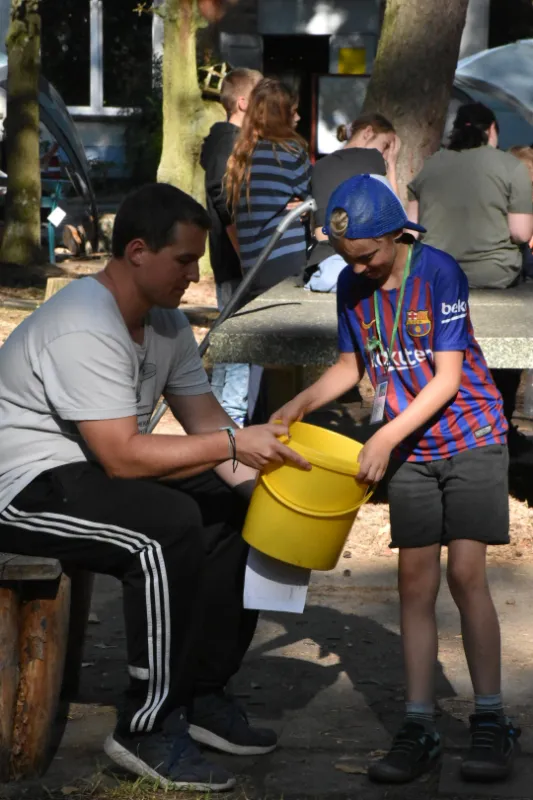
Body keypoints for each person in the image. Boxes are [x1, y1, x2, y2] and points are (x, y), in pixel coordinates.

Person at [0, 183, 311, 791]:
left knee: (232, 508)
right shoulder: (84, 323)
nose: (194, 277)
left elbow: (208, 424)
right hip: (21, 487)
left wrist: (278, 506)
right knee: (163, 530)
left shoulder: (165, 324)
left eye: (198, 262)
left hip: (83, 473)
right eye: (184, 260)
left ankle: (201, 693)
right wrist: (233, 446)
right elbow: (123, 458)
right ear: (138, 251)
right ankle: (147, 724)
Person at [272, 174, 520, 785]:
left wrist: (381, 437)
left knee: (465, 574)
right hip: (412, 448)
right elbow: (350, 366)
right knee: (413, 582)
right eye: (348, 259)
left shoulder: (437, 273)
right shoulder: (351, 286)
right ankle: (418, 724)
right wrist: (298, 404)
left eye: (368, 256)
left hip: (471, 437)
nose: (359, 268)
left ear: (396, 235)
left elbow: (447, 378)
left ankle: (491, 717)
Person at [407, 102, 533, 458]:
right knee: (502, 363)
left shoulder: (431, 166)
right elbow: (521, 233)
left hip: (436, 279)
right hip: (496, 278)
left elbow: (412, 231)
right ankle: (498, 429)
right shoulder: (510, 167)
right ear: (491, 130)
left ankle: (440, 431)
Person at [201, 67, 262, 426]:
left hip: (234, 261)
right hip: (234, 263)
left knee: (230, 348)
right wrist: (245, 253)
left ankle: (218, 427)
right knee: (238, 348)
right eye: (259, 97)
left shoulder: (229, 140)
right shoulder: (228, 141)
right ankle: (232, 431)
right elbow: (223, 197)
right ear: (242, 102)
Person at [225, 77, 311, 295]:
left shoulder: (241, 155)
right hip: (285, 257)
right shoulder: (290, 152)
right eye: (293, 112)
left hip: (252, 263)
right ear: (280, 116)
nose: (298, 118)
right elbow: (315, 197)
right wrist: (306, 206)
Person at [307, 112, 400, 293]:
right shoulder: (372, 158)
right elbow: (395, 217)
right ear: (368, 132)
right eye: (386, 145)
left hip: (326, 256)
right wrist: (392, 165)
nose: (386, 153)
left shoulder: (321, 165)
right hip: (363, 252)